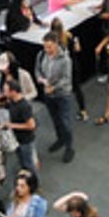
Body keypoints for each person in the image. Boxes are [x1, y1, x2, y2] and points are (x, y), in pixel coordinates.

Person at [35, 31, 76, 163]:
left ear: (57, 44)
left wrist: (54, 87)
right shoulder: (41, 55)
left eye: (50, 47)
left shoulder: (65, 59)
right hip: (48, 94)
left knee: (66, 122)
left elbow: (67, 79)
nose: (47, 50)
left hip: (62, 94)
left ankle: (69, 148)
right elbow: (37, 70)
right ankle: (60, 139)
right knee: (55, 119)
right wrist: (41, 80)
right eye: (45, 46)